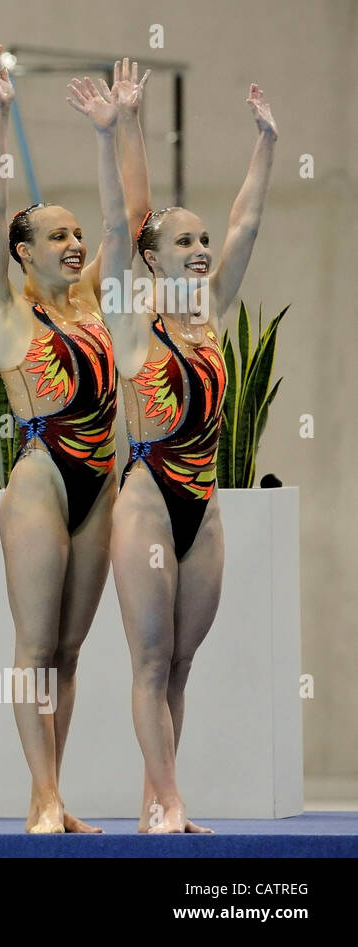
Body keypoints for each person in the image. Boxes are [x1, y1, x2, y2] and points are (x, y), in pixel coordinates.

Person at [0, 51, 149, 833]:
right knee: (35, 644)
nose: (76, 244)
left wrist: (117, 131)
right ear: (23, 252)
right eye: (57, 236)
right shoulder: (7, 312)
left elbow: (131, 220)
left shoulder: (99, 307)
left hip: (100, 483)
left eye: (77, 234)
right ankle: (40, 796)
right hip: (43, 481)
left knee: (71, 654)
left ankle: (56, 792)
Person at [111, 83, 277, 834]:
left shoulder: (210, 318)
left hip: (201, 503)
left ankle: (158, 800)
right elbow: (125, 219)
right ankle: (172, 800)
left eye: (200, 241)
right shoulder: (130, 320)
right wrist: (126, 123)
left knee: (179, 663)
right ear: (151, 257)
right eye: (183, 242)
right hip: (146, 495)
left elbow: (246, 221)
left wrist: (267, 140)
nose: (201, 248)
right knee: (149, 660)